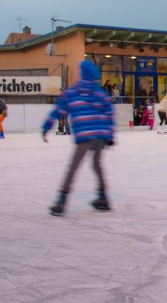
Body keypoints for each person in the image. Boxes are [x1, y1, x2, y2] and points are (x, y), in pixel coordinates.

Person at [42, 61, 114, 217]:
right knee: (97, 165)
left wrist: (46, 127)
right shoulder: (101, 93)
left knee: (73, 167)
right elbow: (109, 114)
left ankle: (61, 201)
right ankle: (103, 197)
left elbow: (58, 110)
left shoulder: (73, 92)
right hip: (100, 135)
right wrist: (110, 135)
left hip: (84, 135)